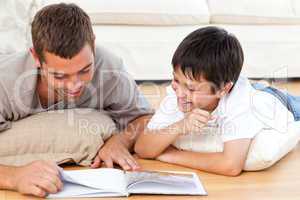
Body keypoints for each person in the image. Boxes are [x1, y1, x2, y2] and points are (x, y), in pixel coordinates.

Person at [0, 3, 153, 197]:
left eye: (84, 70)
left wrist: (120, 141)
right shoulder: (5, 82)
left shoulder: (109, 67)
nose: (75, 85)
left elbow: (144, 118)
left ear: (94, 45)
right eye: (60, 76)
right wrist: (14, 177)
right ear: (36, 58)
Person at [135, 26, 300, 176]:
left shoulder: (240, 102)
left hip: (284, 103)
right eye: (176, 80)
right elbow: (142, 148)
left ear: (224, 90)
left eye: (191, 89)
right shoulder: (181, 90)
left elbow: (231, 165)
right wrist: (180, 126)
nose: (180, 93)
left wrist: (170, 155)